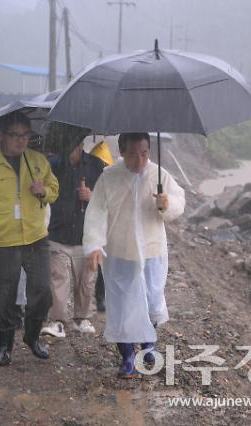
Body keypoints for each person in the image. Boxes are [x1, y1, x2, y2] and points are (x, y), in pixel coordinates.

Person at [83, 132, 185, 378]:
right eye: (133, 155)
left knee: (151, 301)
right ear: (121, 152)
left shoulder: (159, 174)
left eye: (144, 154)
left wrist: (166, 203)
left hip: (152, 251)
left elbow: (179, 202)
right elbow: (96, 212)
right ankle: (128, 357)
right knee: (123, 307)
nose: (139, 161)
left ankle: (149, 346)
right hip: (120, 252)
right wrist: (94, 245)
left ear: (149, 151)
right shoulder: (109, 177)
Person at [0, 111, 59, 366]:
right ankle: (4, 345)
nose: (21, 141)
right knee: (3, 295)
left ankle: (32, 336)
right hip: (2, 243)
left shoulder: (37, 161)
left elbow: (54, 190)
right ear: (1, 135)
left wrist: (43, 191)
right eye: (15, 135)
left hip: (37, 238)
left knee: (42, 291)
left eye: (25, 135)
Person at [41, 141, 105, 338]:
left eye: (74, 143)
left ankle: (81, 317)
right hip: (57, 233)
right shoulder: (51, 165)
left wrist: (91, 196)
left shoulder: (96, 166)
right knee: (58, 277)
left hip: (86, 235)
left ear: (81, 143)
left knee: (86, 280)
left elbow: (107, 198)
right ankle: (58, 320)